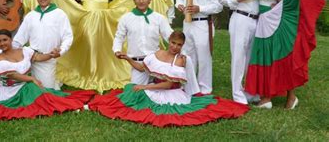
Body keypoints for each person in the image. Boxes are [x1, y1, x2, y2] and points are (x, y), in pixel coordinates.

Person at [22, 0, 172, 92]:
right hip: (87, 19)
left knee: (104, 49)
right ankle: (89, 74)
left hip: (105, 20)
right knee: (90, 47)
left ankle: (105, 73)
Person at [89, 31, 249, 127]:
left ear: (182, 45)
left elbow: (169, 84)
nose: (175, 47)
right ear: (168, 41)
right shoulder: (157, 54)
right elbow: (142, 69)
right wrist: (128, 59)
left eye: (179, 44)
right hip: (155, 87)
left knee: (141, 95)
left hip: (170, 92)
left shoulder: (179, 60)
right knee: (131, 88)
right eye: (173, 43)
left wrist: (145, 87)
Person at [245, 0, 326, 110]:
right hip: (262, 22)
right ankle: (266, 97)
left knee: (282, 58)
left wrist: (280, 4)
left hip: (277, 24)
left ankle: (291, 96)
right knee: (265, 57)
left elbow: (289, 6)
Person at [219, 0, 267, 104]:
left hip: (257, 20)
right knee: (238, 56)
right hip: (240, 17)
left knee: (251, 57)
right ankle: (237, 94)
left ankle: (250, 91)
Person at [175, 0, 223, 94]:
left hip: (203, 23)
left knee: (203, 56)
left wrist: (200, 8)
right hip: (187, 23)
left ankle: (205, 87)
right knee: (187, 54)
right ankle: (188, 84)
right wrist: (180, 6)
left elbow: (218, 6)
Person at [13, 0, 73, 89]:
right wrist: (10, 54)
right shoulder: (30, 16)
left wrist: (61, 51)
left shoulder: (59, 14)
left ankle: (55, 83)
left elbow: (68, 37)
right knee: (20, 89)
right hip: (30, 59)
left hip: (48, 59)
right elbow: (18, 39)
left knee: (45, 91)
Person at [113, 0, 172, 85]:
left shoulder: (159, 18)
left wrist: (177, 48)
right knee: (137, 94)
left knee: (164, 90)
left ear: (149, 0)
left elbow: (170, 36)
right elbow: (119, 37)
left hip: (155, 61)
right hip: (138, 64)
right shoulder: (126, 18)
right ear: (134, 0)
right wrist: (117, 50)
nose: (141, 1)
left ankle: (155, 82)